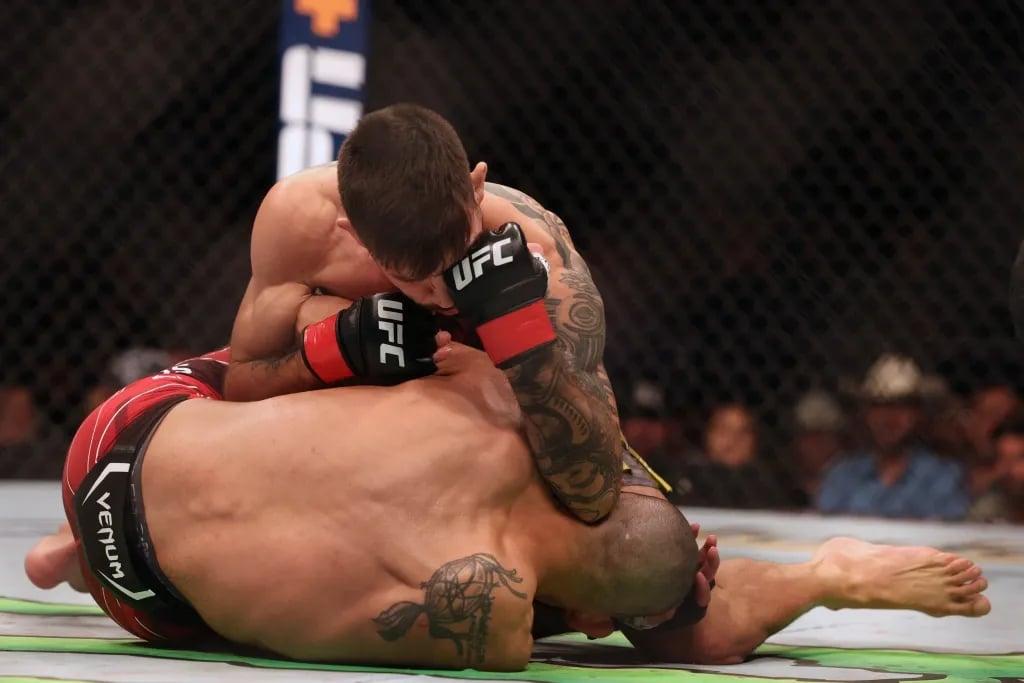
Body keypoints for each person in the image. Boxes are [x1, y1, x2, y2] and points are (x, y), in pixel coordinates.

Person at [27, 344, 991, 670]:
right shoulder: (491, 614)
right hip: (145, 594)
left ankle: (69, 542)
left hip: (119, 435)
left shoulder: (494, 396)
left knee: (314, 349)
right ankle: (826, 575)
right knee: (252, 577)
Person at [221, 103, 650, 522]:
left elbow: (595, 489)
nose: (444, 296)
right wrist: (337, 347)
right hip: (351, 441)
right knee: (311, 319)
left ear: (477, 188)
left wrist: (518, 356)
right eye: (417, 279)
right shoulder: (298, 224)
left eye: (457, 260)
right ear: (355, 236)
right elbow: (239, 385)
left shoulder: (538, 247)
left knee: (647, 540)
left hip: (492, 433)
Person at [817, 354, 969, 520]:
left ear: (917, 414)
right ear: (866, 413)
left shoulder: (942, 477)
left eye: (901, 406)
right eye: (879, 405)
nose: (889, 417)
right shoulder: (842, 475)